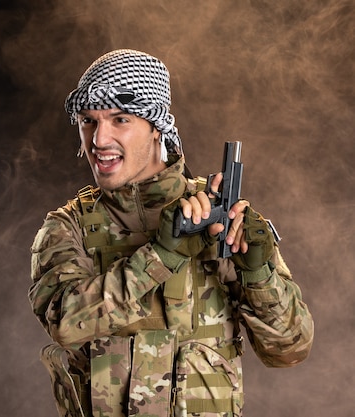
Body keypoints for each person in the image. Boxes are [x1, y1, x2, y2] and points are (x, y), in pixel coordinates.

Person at [28, 49, 313, 417]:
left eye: (120, 119)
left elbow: (289, 350)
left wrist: (258, 274)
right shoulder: (68, 228)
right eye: (88, 120)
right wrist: (160, 257)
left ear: (157, 126)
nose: (98, 139)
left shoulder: (215, 218)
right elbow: (65, 323)